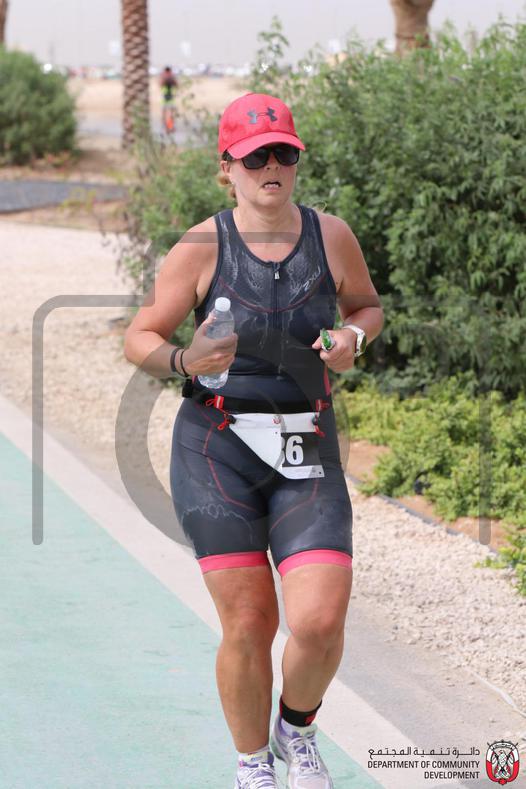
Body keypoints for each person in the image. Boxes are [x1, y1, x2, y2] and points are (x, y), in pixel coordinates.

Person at [124, 92, 384, 788]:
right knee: (249, 620)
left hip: (306, 443)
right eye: (255, 156)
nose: (272, 166)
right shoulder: (201, 246)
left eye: (284, 154)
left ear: (297, 162)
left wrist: (352, 336)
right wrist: (185, 359)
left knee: (319, 619)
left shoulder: (332, 237)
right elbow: (140, 335)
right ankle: (252, 764)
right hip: (217, 449)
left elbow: (367, 305)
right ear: (227, 169)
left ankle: (296, 730)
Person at [159, 66, 178, 133]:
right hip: (167, 98)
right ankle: (168, 127)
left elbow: (160, 84)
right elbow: (176, 85)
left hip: (168, 99)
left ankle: (168, 127)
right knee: (168, 114)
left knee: (168, 114)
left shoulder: (166, 77)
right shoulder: (169, 77)